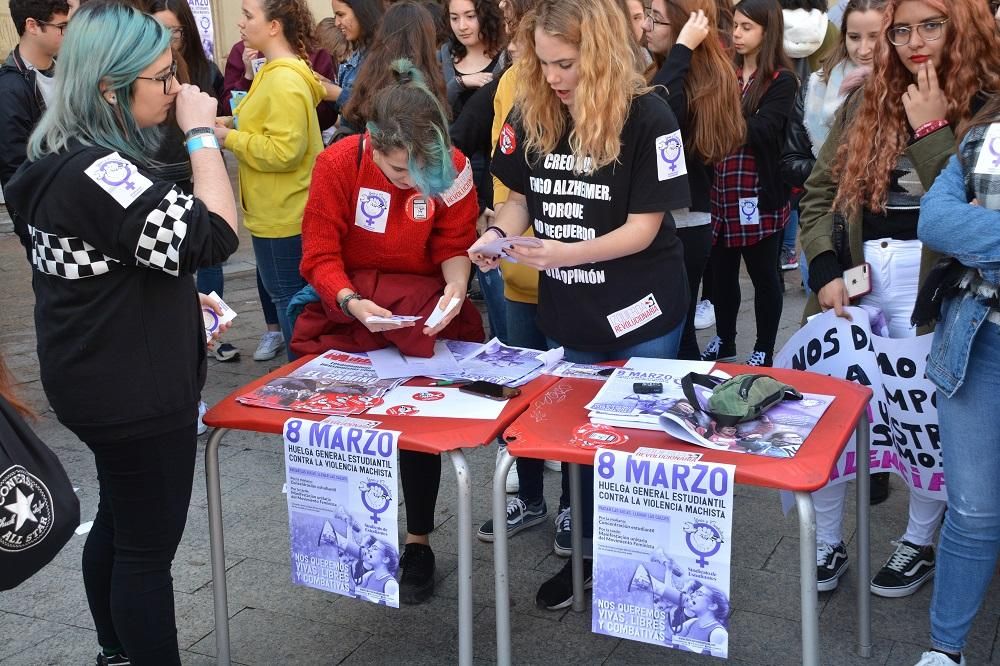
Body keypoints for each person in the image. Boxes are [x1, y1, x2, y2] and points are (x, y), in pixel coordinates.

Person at [3, 3, 239, 663]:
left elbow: (101, 267)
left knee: (119, 520)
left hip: (92, 379)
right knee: (146, 549)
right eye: (162, 77)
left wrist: (170, 301)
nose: (176, 89)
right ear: (110, 86)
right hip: (134, 391)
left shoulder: (53, 158)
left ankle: (114, 651)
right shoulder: (99, 171)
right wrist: (201, 136)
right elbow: (215, 234)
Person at [470, 0, 692, 610]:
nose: (554, 78)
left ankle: (650, 569)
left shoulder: (650, 115)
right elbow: (519, 198)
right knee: (581, 444)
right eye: (542, 64)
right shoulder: (534, 105)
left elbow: (645, 227)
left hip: (641, 309)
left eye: (566, 63)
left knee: (640, 441)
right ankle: (589, 560)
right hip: (573, 311)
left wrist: (563, 254)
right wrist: (497, 234)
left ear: (599, 54)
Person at [799, 0, 1000, 599]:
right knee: (832, 413)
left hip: (944, 293)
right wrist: (823, 264)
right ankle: (825, 541)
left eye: (930, 25)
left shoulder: (988, 104)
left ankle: (917, 541)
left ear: (962, 25)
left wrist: (934, 131)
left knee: (928, 424)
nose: (914, 41)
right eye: (902, 29)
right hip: (857, 285)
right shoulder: (869, 96)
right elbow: (819, 193)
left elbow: (972, 221)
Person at [296, 59, 483, 604]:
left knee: (419, 427)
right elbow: (319, 254)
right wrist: (353, 302)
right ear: (372, 147)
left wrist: (455, 290)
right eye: (400, 173)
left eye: (422, 172)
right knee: (352, 425)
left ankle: (417, 540)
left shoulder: (454, 165)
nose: (412, 183)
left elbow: (453, 243)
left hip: (421, 310)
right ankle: (352, 535)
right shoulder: (336, 166)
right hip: (352, 308)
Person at [913, 89, 1000, 666]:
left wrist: (981, 232)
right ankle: (946, 651)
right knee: (972, 510)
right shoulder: (981, 136)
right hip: (979, 340)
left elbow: (958, 227)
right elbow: (935, 221)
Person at [214, 0, 325, 356]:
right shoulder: (272, 70)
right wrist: (231, 123)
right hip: (275, 210)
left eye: (248, 16)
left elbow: (284, 151)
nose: (240, 23)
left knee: (290, 302)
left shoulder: (283, 77)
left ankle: (300, 378)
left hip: (283, 214)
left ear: (274, 26)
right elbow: (265, 121)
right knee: (290, 298)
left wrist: (228, 138)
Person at [645, 0, 746, 361]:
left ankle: (690, 409)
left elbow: (654, 115)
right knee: (669, 329)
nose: (646, 26)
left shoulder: (699, 84)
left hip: (686, 221)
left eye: (655, 18)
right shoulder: (660, 74)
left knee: (679, 332)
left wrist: (684, 47)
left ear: (681, 26)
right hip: (660, 218)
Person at [699, 0, 797, 368]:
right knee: (722, 276)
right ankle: (724, 340)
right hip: (720, 192)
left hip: (759, 193)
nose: (736, 34)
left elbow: (764, 128)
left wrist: (720, 119)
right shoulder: (726, 73)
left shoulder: (781, 79)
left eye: (746, 28)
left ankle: (764, 348)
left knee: (764, 276)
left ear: (767, 33)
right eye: (735, 26)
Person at [778, 0, 839, 273]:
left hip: (786, 114)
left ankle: (793, 252)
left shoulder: (776, 25)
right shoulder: (830, 29)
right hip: (828, 128)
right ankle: (795, 253)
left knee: (804, 201)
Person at [339, 1, 448, 134]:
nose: (337, 22)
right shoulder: (429, 78)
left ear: (384, 33)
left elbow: (353, 116)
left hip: (368, 148)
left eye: (341, 14)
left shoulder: (371, 72)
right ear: (426, 37)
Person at [0, 0, 70, 193]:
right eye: (62, 26)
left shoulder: (69, 73)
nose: (69, 33)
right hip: (43, 206)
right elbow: (14, 168)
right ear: (32, 26)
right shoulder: (9, 88)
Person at [324, 0, 385, 110]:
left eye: (341, 15)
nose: (336, 23)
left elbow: (376, 111)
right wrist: (326, 84)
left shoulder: (384, 55)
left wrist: (339, 94)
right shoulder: (359, 52)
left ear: (361, 12)